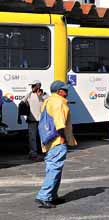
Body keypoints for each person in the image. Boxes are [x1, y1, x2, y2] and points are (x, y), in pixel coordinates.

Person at [35, 80, 77, 209]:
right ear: (59, 91)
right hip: (58, 140)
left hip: (50, 140)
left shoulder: (49, 100)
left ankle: (52, 196)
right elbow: (59, 123)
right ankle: (44, 196)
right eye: (65, 89)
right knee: (54, 169)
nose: (67, 91)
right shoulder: (59, 102)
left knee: (53, 168)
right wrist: (63, 137)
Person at [22, 80, 44, 160]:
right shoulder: (29, 94)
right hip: (31, 120)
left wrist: (40, 96)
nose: (32, 87)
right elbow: (22, 103)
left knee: (43, 136)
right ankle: (33, 153)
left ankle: (44, 151)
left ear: (38, 86)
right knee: (32, 137)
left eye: (33, 86)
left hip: (42, 120)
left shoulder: (44, 95)